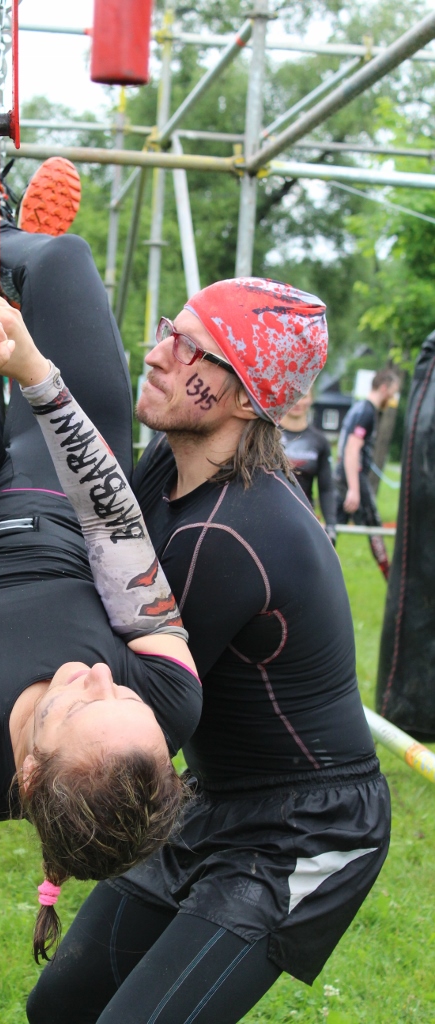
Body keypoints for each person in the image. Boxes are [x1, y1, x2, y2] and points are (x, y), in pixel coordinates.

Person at [0, 122, 202, 962]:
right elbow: (113, 524)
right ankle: (0, 229)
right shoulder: (167, 707)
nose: (100, 673)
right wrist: (37, 381)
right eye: (122, 694)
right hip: (67, 493)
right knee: (63, 262)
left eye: (80, 700)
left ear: (27, 773)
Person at [27, 282, 391, 1024]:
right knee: (58, 1008)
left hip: (305, 828)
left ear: (248, 400)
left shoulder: (223, 534)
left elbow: (126, 695)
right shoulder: (168, 465)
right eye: (172, 329)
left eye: (193, 349)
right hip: (214, 798)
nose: (158, 354)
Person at [335, 368, 400, 579]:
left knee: (332, 529)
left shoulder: (360, 408)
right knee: (375, 529)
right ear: (384, 388)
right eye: (393, 392)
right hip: (352, 477)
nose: (393, 398)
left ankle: (315, 579)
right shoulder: (367, 412)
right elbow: (352, 449)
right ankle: (392, 581)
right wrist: (354, 489)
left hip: (343, 476)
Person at [280, 389, 336, 544]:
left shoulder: (320, 441)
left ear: (311, 400)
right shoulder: (266, 434)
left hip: (304, 521)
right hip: (270, 517)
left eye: (303, 396)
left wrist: (331, 525)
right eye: (293, 395)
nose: (298, 401)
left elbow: (326, 488)